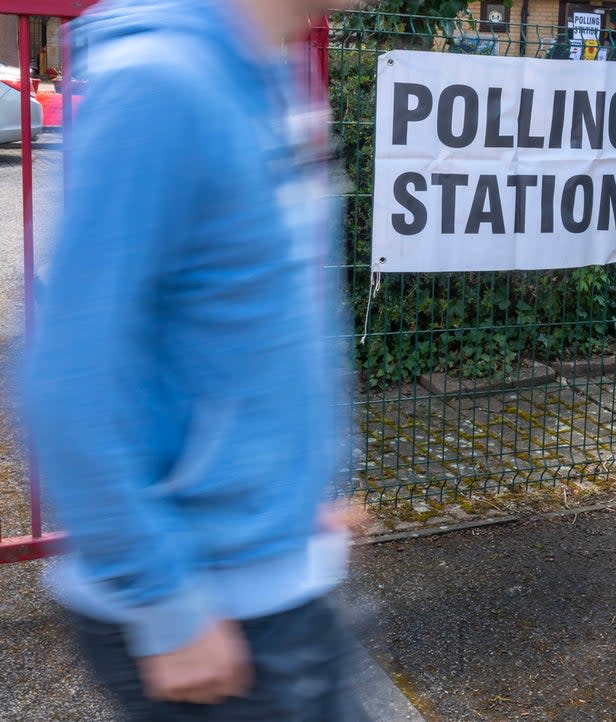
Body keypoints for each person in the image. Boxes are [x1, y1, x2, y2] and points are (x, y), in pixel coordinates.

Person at [22, 0, 369, 719]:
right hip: (207, 612)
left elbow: (262, 317)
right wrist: (166, 607)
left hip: (274, 578)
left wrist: (308, 482)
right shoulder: (161, 83)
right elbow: (66, 377)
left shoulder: (271, 67)